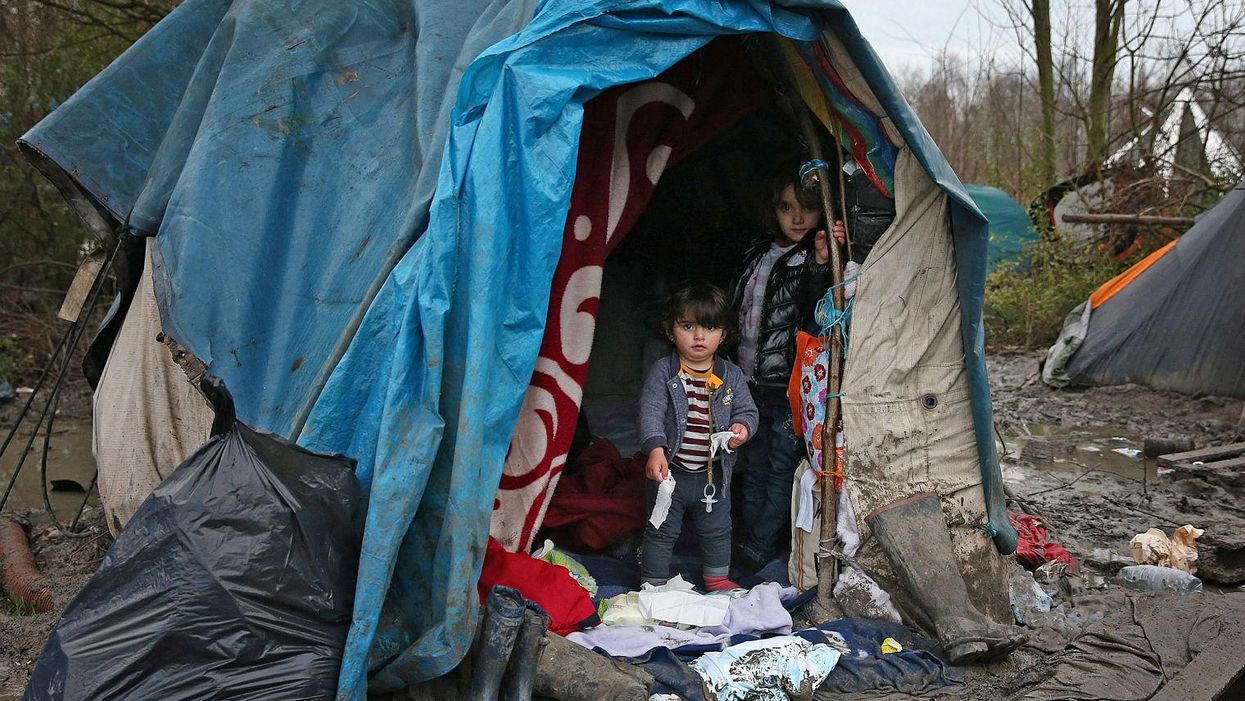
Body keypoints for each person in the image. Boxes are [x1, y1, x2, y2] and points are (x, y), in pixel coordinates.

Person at [731, 167, 845, 571]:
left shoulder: (808, 258)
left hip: (786, 384)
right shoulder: (758, 252)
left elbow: (816, 307)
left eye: (808, 208)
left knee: (780, 467)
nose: (796, 218)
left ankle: (761, 545)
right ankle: (746, 537)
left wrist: (820, 260)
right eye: (786, 207)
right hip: (749, 380)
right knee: (752, 463)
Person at [637, 282, 759, 591]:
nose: (699, 336)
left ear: (724, 334)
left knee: (718, 529)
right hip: (671, 473)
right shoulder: (663, 372)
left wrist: (741, 429)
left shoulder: (730, 375)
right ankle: (654, 583)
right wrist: (655, 449)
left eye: (709, 327)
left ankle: (717, 577)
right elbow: (650, 410)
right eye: (688, 326)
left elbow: (748, 411)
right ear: (670, 330)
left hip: (714, 474)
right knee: (661, 528)